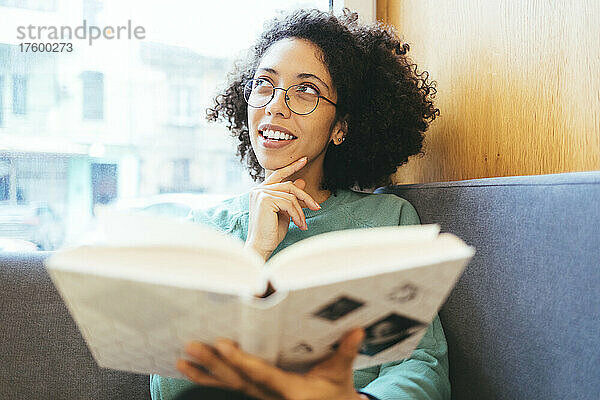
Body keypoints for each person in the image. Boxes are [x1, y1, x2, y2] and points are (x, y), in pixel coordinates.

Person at [151, 7, 446, 400]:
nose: (275, 105)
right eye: (264, 84)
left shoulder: (388, 220)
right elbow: (171, 387)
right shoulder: (204, 228)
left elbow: (419, 363)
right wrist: (252, 255)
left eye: (306, 90)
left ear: (340, 127)